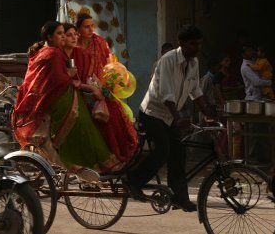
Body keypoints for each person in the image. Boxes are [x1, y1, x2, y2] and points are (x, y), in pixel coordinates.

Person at [13, 21, 120, 180]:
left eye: (65, 33)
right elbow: (57, 79)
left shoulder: (47, 52)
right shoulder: (53, 53)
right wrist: (71, 77)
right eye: (60, 33)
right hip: (62, 99)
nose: (64, 37)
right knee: (84, 128)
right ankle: (95, 164)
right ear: (50, 37)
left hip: (63, 97)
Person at [126, 25, 213, 212]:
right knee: (163, 150)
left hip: (171, 115)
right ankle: (133, 180)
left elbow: (195, 90)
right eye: (193, 44)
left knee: (178, 155)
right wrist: (178, 118)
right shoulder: (168, 60)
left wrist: (207, 113)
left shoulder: (194, 62)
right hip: (152, 113)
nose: (197, 47)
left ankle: (180, 198)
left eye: (199, 43)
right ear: (182, 43)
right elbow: (166, 94)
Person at [76, 13, 138, 163]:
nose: (91, 30)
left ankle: (115, 158)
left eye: (92, 26)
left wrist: (104, 87)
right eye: (86, 27)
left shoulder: (99, 42)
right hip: (78, 90)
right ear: (78, 29)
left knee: (114, 117)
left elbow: (108, 66)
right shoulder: (73, 44)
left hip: (100, 90)